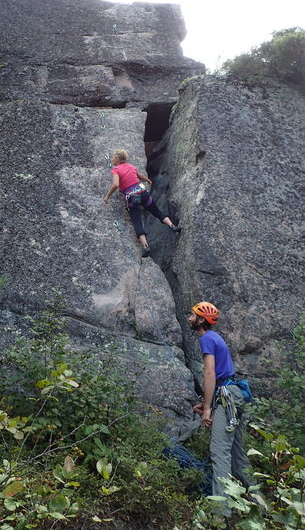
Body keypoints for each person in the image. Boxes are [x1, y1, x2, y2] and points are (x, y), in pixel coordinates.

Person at [189, 301, 253, 515]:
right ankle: (261, 505)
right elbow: (219, 377)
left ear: (200, 320)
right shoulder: (215, 338)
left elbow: (210, 374)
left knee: (220, 453)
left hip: (226, 397)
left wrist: (207, 408)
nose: (189, 318)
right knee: (237, 455)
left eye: (193, 315)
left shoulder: (207, 338)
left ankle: (220, 515)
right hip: (231, 395)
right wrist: (207, 402)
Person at [103, 149, 181, 257]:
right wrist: (148, 180)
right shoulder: (131, 166)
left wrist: (107, 196)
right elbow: (140, 177)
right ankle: (172, 225)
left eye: (113, 157)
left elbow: (116, 184)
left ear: (117, 159)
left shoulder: (115, 170)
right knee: (157, 211)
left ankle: (146, 247)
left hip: (132, 198)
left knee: (137, 222)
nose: (111, 159)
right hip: (143, 193)